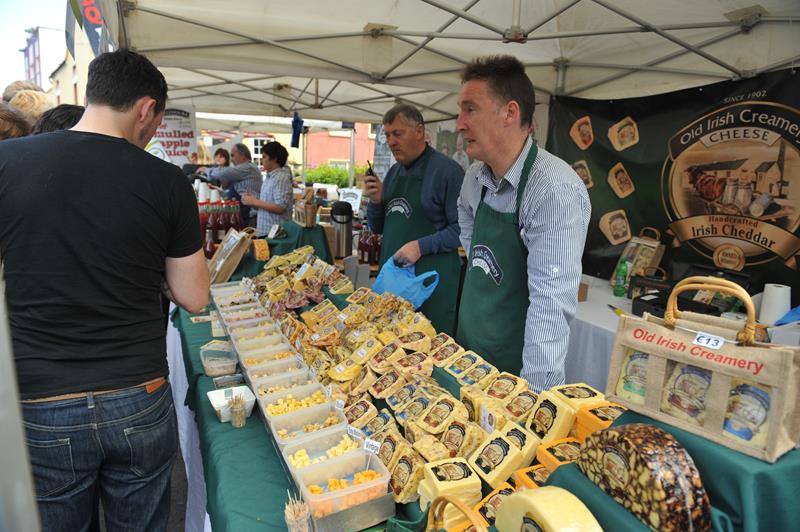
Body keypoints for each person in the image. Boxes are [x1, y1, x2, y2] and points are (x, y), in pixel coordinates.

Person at [0, 49, 209, 531]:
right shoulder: (167, 181)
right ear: (145, 108)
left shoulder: (8, 163)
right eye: (155, 119)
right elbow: (194, 296)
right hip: (137, 392)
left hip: (41, 397)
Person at [455, 55, 590, 391]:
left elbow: (551, 306)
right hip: (468, 354)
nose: (459, 123)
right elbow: (468, 227)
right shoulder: (474, 178)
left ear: (510, 113)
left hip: (515, 373)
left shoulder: (553, 190)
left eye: (470, 109)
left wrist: (533, 400)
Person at [366, 104, 464, 335]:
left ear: (419, 131)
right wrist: (376, 201)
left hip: (430, 285)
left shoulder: (447, 171)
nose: (391, 142)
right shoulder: (393, 173)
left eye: (398, 134)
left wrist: (420, 246)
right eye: (387, 135)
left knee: (427, 355)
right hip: (393, 284)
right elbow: (377, 227)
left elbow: (462, 230)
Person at [199, 142, 262, 225]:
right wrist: (218, 190)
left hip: (249, 216)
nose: (231, 159)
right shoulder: (241, 171)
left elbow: (222, 173)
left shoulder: (248, 167)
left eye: (233, 155)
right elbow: (232, 195)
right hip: (241, 213)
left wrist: (206, 170)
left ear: (242, 154)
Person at [241, 141, 293, 237]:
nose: (262, 160)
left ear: (274, 159)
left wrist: (255, 202)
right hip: (267, 233)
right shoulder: (269, 178)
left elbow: (280, 207)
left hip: (276, 235)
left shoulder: (281, 178)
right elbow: (267, 205)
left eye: (264, 157)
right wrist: (252, 201)